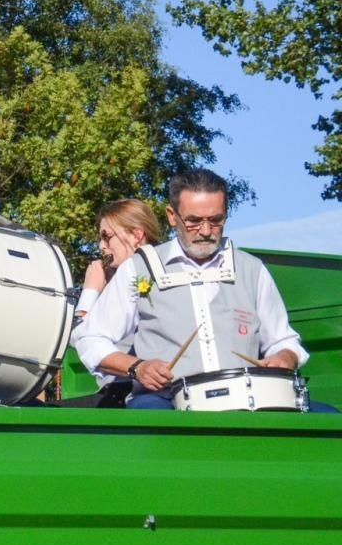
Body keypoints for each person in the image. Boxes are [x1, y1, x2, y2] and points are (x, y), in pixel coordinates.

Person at [74, 169, 335, 412]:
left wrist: (285, 358)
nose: (206, 231)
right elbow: (91, 339)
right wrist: (137, 368)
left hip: (247, 400)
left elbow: (283, 340)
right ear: (171, 216)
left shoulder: (251, 269)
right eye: (194, 221)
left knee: (331, 420)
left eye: (216, 220)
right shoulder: (138, 268)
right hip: (164, 399)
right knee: (151, 426)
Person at [63, 200, 164, 407]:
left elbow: (81, 339)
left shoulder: (143, 280)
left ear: (136, 235)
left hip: (130, 390)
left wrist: (90, 292)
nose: (101, 246)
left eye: (107, 236)